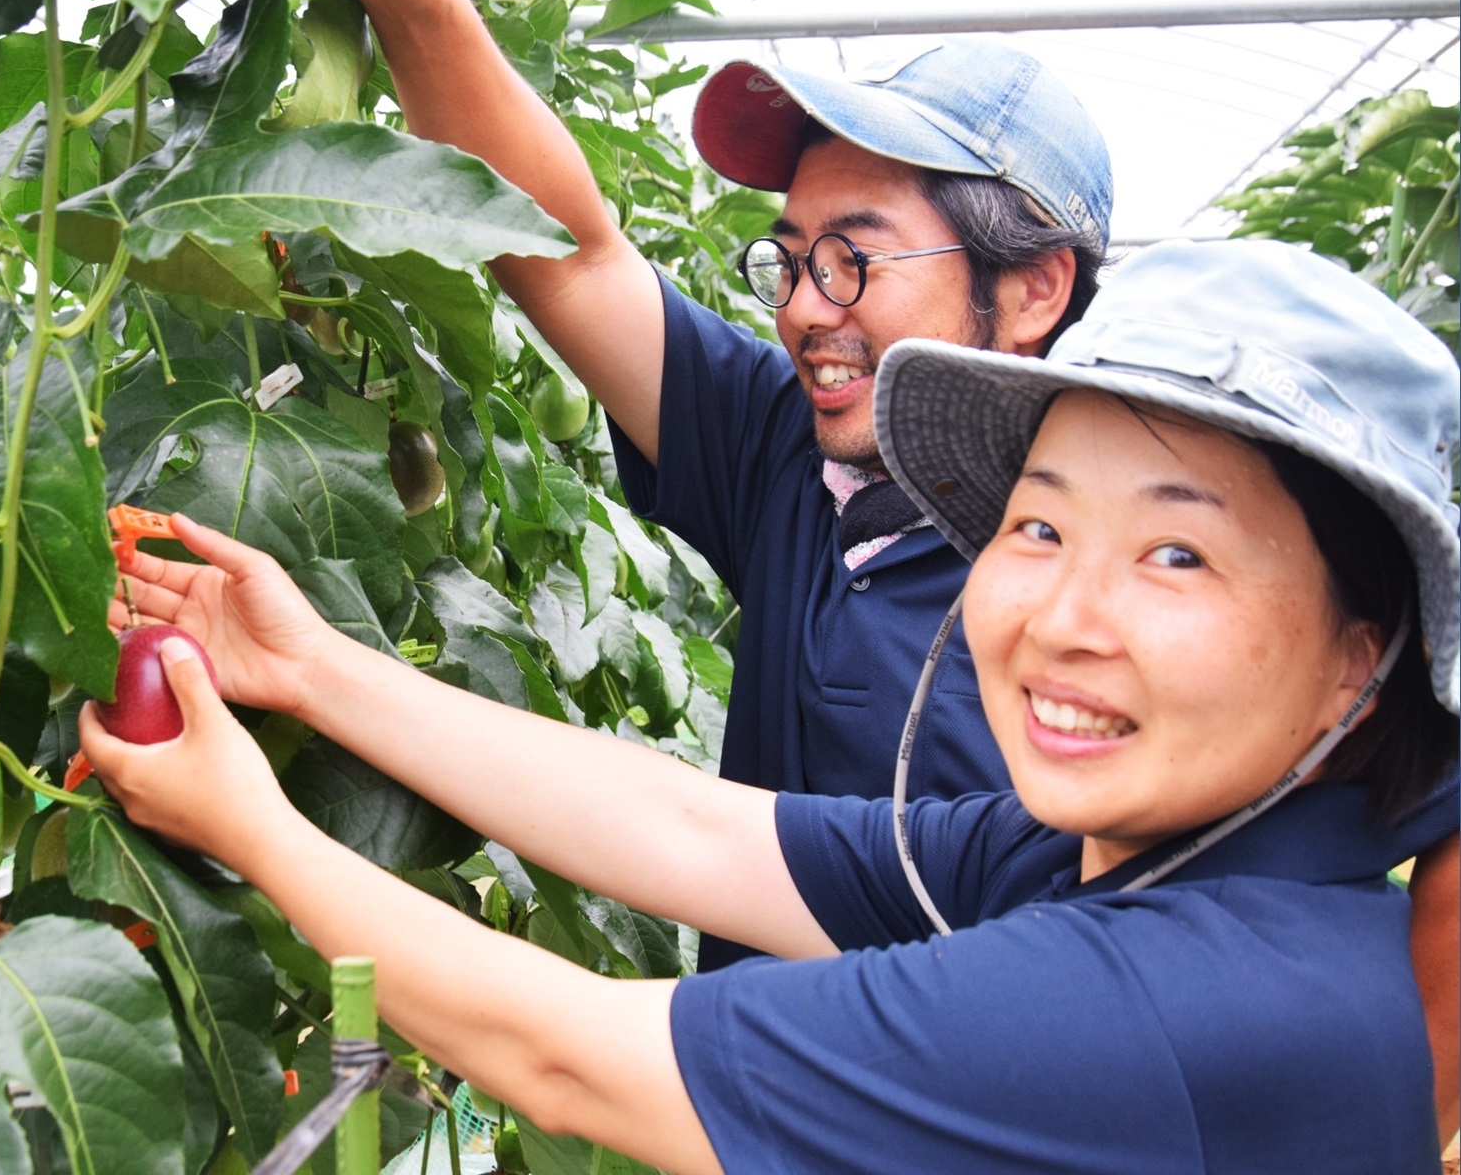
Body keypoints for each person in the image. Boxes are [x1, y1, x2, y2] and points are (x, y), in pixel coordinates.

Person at [319, 0, 1461, 1129]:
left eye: (856, 261)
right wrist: (414, 0)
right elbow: (565, 252)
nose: (807, 309)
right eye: (793, 260)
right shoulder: (796, 454)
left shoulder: (1176, 956)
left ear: (1032, 288)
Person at [83, 239, 1458, 1170]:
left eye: (1177, 554)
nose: (1060, 617)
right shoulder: (1144, 866)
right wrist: (311, 666)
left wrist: (252, 828)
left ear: (1361, 656)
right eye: (1037, 530)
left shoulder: (1182, 1005)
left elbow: (572, 1063)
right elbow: (697, 832)